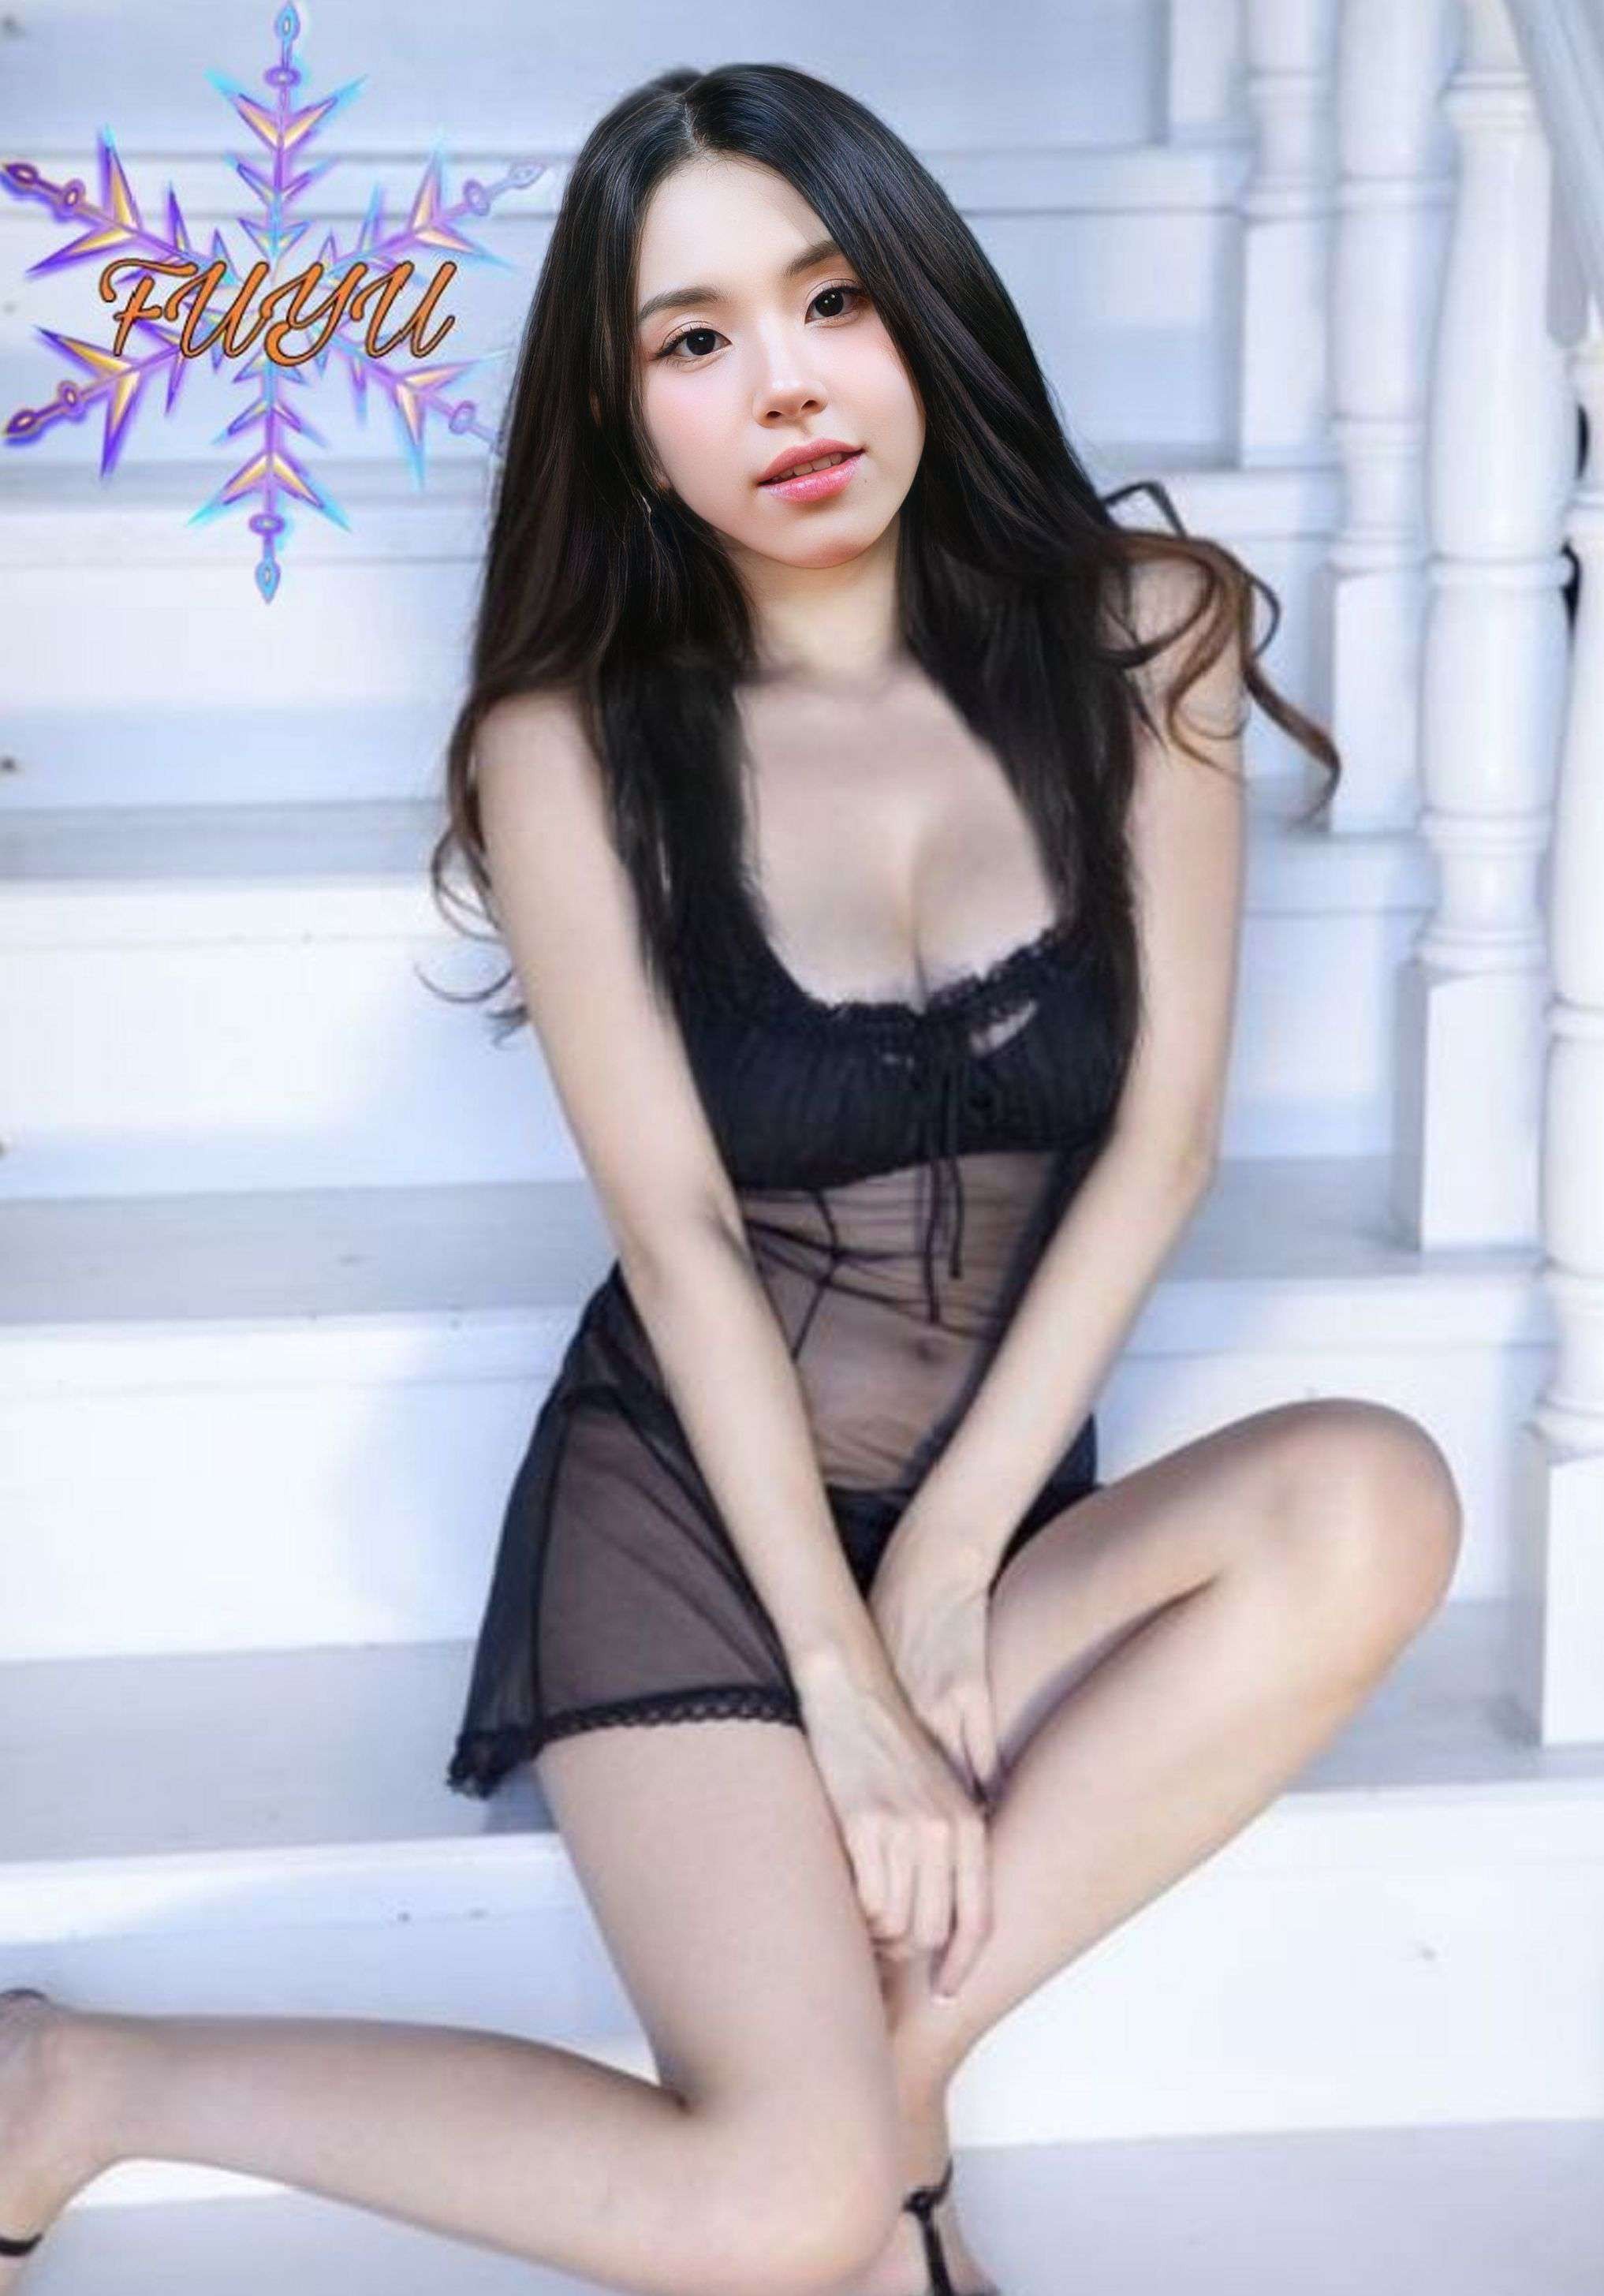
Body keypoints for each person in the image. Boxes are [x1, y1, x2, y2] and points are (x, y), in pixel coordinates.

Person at [0, 61, 1464, 2296]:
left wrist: (946, 1569)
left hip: (985, 1507)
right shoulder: (571, 746)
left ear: (924, 319)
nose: (784, 386)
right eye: (694, 341)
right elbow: (679, 1237)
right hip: (694, 1533)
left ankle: (886, 2107)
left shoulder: (1143, 633)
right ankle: (76, 2081)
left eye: (830, 300)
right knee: (780, 2213)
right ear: (626, 425)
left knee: (1375, 1492)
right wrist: (838, 1679)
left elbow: (1162, 1144)